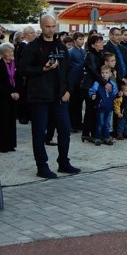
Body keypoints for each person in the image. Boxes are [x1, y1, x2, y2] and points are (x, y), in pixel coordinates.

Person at [20, 15, 80, 179]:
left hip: (59, 97)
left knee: (65, 130)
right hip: (39, 97)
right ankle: (42, 166)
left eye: (53, 26)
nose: (51, 29)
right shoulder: (32, 47)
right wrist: (43, 68)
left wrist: (68, 91)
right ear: (41, 27)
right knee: (39, 133)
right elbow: (23, 69)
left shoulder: (60, 47)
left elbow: (69, 70)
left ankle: (63, 162)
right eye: (47, 26)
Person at [0, 43, 21, 152]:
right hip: (3, 97)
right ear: (2, 54)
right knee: (3, 121)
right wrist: (10, 93)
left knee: (12, 120)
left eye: (12, 51)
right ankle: (3, 146)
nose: (11, 53)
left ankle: (11, 144)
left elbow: (19, 80)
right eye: (8, 52)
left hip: (15, 96)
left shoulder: (15, 64)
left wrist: (17, 92)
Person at [80, 33, 106, 142]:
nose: (101, 43)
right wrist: (104, 82)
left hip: (96, 85)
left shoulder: (100, 54)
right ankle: (88, 133)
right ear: (92, 45)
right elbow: (94, 72)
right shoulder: (90, 55)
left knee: (94, 110)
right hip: (89, 86)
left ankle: (93, 132)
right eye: (98, 42)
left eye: (101, 41)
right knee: (91, 110)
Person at [88, 65, 117, 145]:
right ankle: (98, 137)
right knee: (100, 123)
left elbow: (115, 93)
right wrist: (92, 95)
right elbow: (91, 90)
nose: (104, 74)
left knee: (107, 123)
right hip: (100, 107)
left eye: (106, 73)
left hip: (109, 107)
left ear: (110, 74)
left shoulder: (112, 84)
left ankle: (106, 137)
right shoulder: (97, 83)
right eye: (102, 73)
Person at [66, 31, 87, 131]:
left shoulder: (83, 52)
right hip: (73, 80)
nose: (82, 41)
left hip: (81, 80)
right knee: (72, 104)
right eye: (80, 39)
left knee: (79, 103)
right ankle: (71, 124)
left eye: (83, 39)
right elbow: (67, 67)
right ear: (74, 40)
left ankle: (78, 122)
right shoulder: (70, 52)